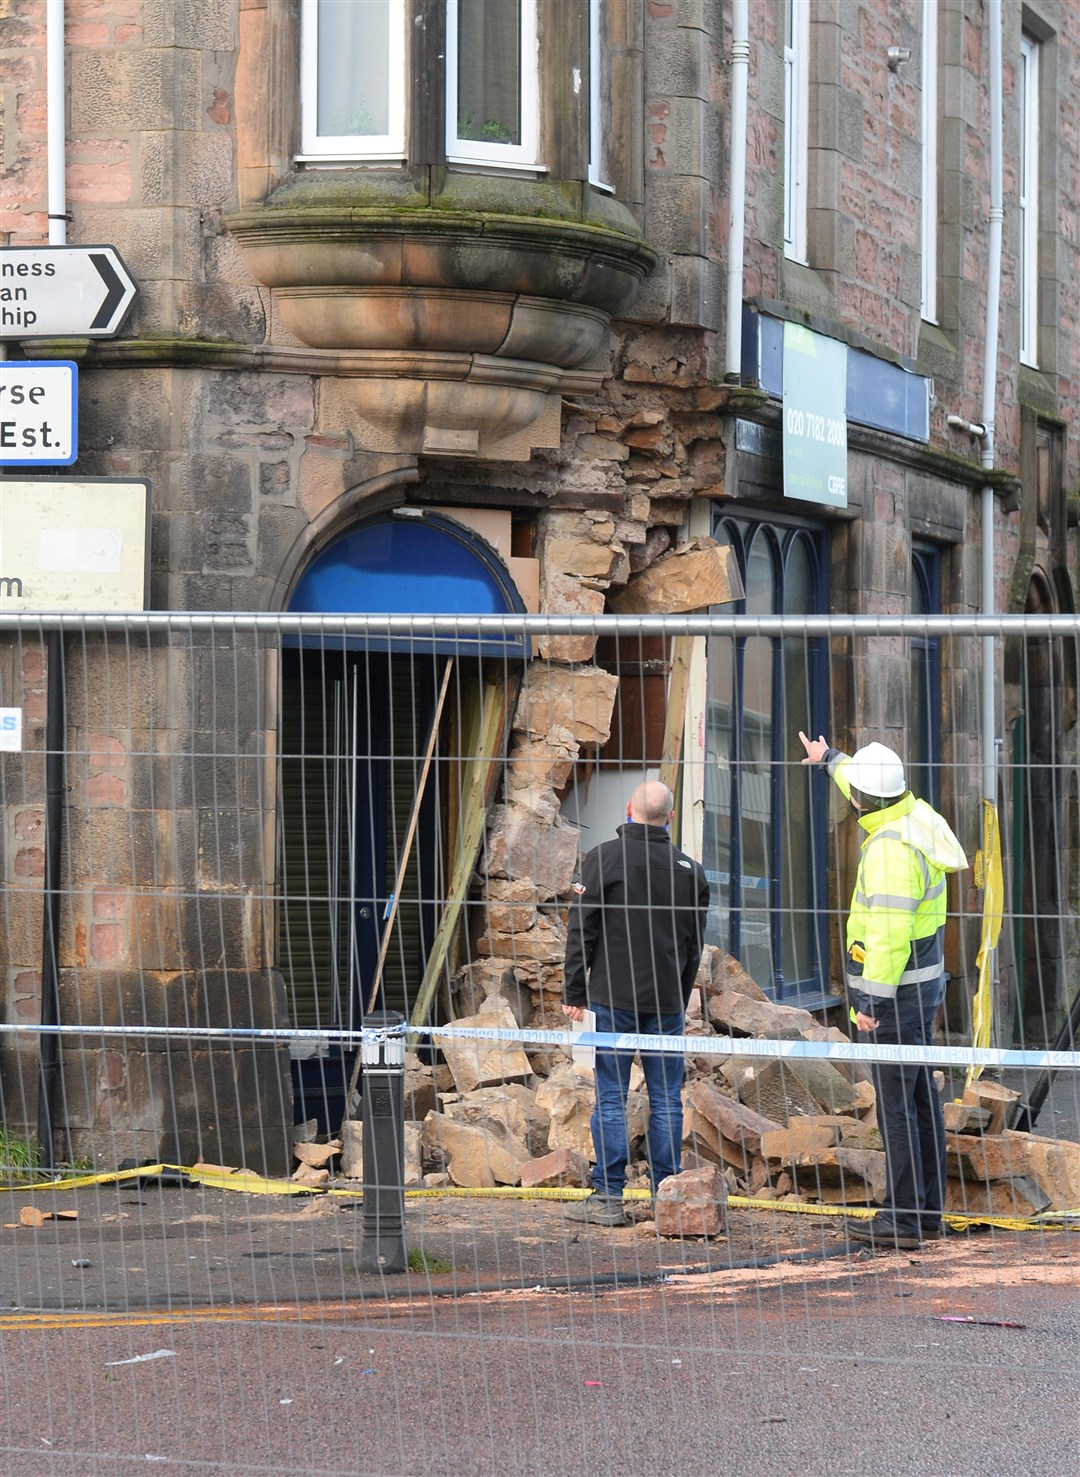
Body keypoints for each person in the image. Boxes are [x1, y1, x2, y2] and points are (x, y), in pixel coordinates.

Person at [799, 731, 967, 1249]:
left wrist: (869, 1004)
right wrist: (829, 760)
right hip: (922, 993)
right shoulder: (913, 814)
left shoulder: (890, 851)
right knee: (919, 1099)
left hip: (895, 998)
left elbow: (890, 939)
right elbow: (864, 783)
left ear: (861, 803)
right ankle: (927, 1212)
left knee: (897, 1104)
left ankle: (903, 1219)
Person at [562, 779, 710, 1226]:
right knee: (666, 1099)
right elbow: (693, 946)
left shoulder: (602, 858)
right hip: (665, 1002)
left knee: (610, 1096)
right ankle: (668, 1193)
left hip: (612, 999)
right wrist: (679, 997)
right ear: (669, 816)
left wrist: (574, 991)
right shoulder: (690, 870)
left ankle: (608, 1196)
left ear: (628, 810)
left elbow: (581, 929)